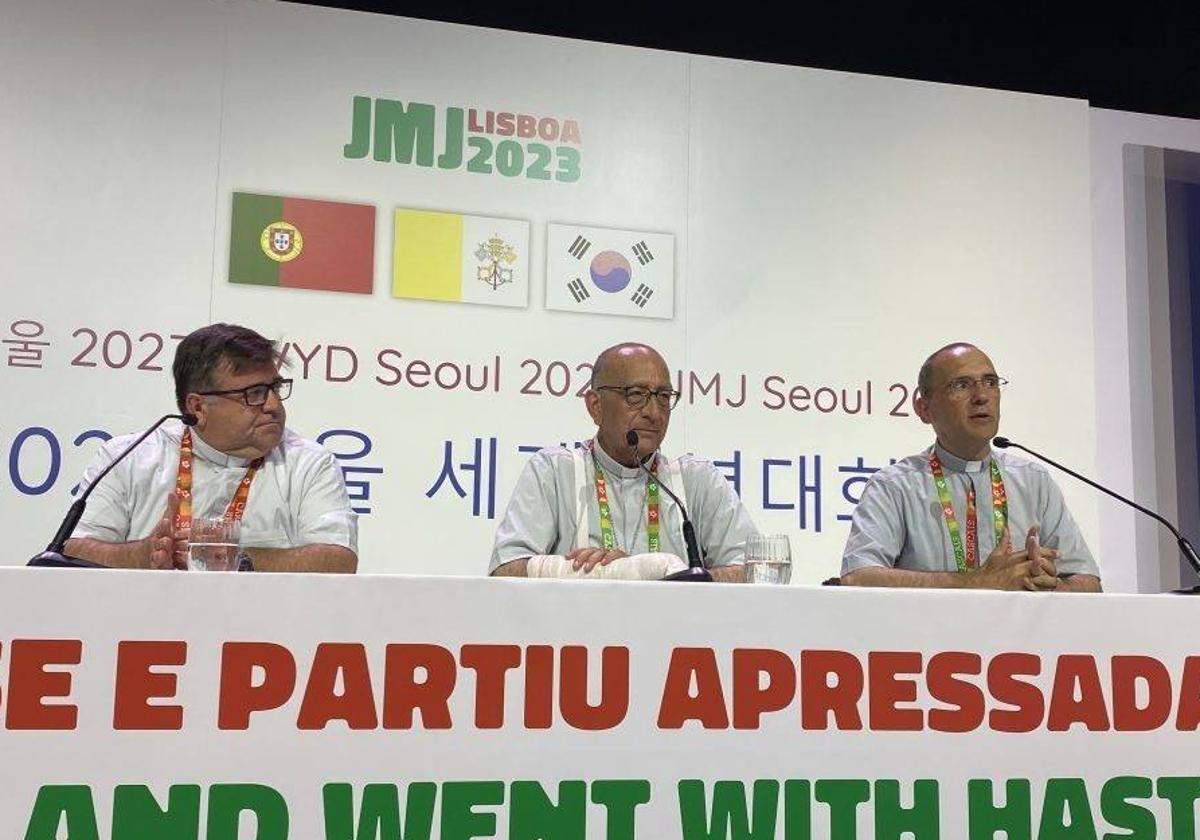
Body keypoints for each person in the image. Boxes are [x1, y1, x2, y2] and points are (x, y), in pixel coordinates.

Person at [64, 323, 358, 573]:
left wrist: (237, 558)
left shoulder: (308, 462)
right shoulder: (128, 457)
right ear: (198, 406)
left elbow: (338, 560)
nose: (273, 405)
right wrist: (141, 555)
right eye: (254, 393)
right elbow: (72, 550)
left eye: (275, 389)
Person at [841, 342, 1101, 592]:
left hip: (1017, 636)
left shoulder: (1033, 481)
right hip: (931, 636)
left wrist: (1045, 585)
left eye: (990, 383)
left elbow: (1089, 583)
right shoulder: (895, 486)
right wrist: (975, 582)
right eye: (961, 385)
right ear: (924, 409)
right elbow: (858, 579)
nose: (981, 397)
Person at [490, 342, 758, 581]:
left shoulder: (696, 479)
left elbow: (754, 571)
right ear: (595, 406)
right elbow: (505, 570)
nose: (654, 413)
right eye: (636, 395)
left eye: (663, 397)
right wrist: (605, 572)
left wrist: (673, 577)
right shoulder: (554, 471)